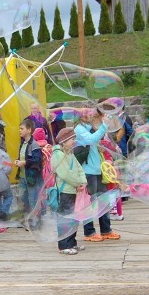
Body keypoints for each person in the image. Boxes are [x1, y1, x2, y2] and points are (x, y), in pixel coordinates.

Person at [73, 108, 120, 242]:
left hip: (97, 169)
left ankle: (106, 230)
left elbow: (97, 142)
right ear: (80, 116)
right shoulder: (79, 129)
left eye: (90, 113)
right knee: (89, 203)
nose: (90, 115)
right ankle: (89, 232)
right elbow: (92, 139)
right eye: (87, 113)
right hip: (87, 171)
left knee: (103, 201)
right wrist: (104, 125)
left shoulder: (90, 127)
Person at [51, 127, 87, 255]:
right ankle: (64, 245)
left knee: (73, 218)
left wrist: (83, 182)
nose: (74, 141)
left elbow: (79, 168)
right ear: (64, 141)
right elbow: (65, 174)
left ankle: (72, 242)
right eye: (72, 139)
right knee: (65, 218)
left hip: (73, 190)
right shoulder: (58, 155)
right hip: (65, 191)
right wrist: (78, 183)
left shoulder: (70, 153)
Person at [13, 118, 42, 227]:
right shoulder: (22, 143)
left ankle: (36, 222)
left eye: (22, 128)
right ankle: (27, 220)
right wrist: (17, 161)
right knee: (22, 198)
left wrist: (24, 162)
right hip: (22, 177)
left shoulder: (34, 144)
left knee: (32, 200)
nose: (19, 130)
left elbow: (37, 160)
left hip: (31, 178)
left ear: (29, 130)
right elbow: (22, 157)